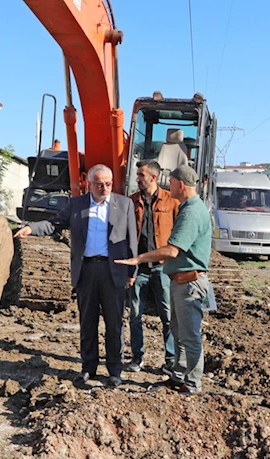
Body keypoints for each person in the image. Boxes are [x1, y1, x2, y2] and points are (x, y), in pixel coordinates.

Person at [14, 164, 137, 387]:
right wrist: (32, 228)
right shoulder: (76, 204)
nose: (105, 188)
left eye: (108, 184)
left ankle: (114, 371)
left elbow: (131, 240)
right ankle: (88, 368)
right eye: (99, 184)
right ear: (89, 184)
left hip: (114, 270)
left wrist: (132, 271)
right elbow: (54, 225)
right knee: (87, 322)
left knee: (114, 324)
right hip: (87, 270)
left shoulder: (124, 204)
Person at [116, 164, 211, 393]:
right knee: (178, 332)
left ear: (180, 184)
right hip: (180, 280)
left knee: (189, 336)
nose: (169, 186)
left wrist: (138, 259)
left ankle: (192, 384)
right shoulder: (190, 207)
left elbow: (172, 250)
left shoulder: (190, 211)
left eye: (172, 182)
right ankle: (178, 376)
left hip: (189, 282)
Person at [126, 159, 179, 373]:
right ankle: (137, 358)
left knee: (167, 315)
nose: (137, 178)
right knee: (134, 315)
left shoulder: (171, 201)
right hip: (139, 267)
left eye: (140, 175)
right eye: (137, 175)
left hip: (163, 267)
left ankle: (171, 359)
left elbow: (179, 234)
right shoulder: (131, 202)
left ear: (153, 177)